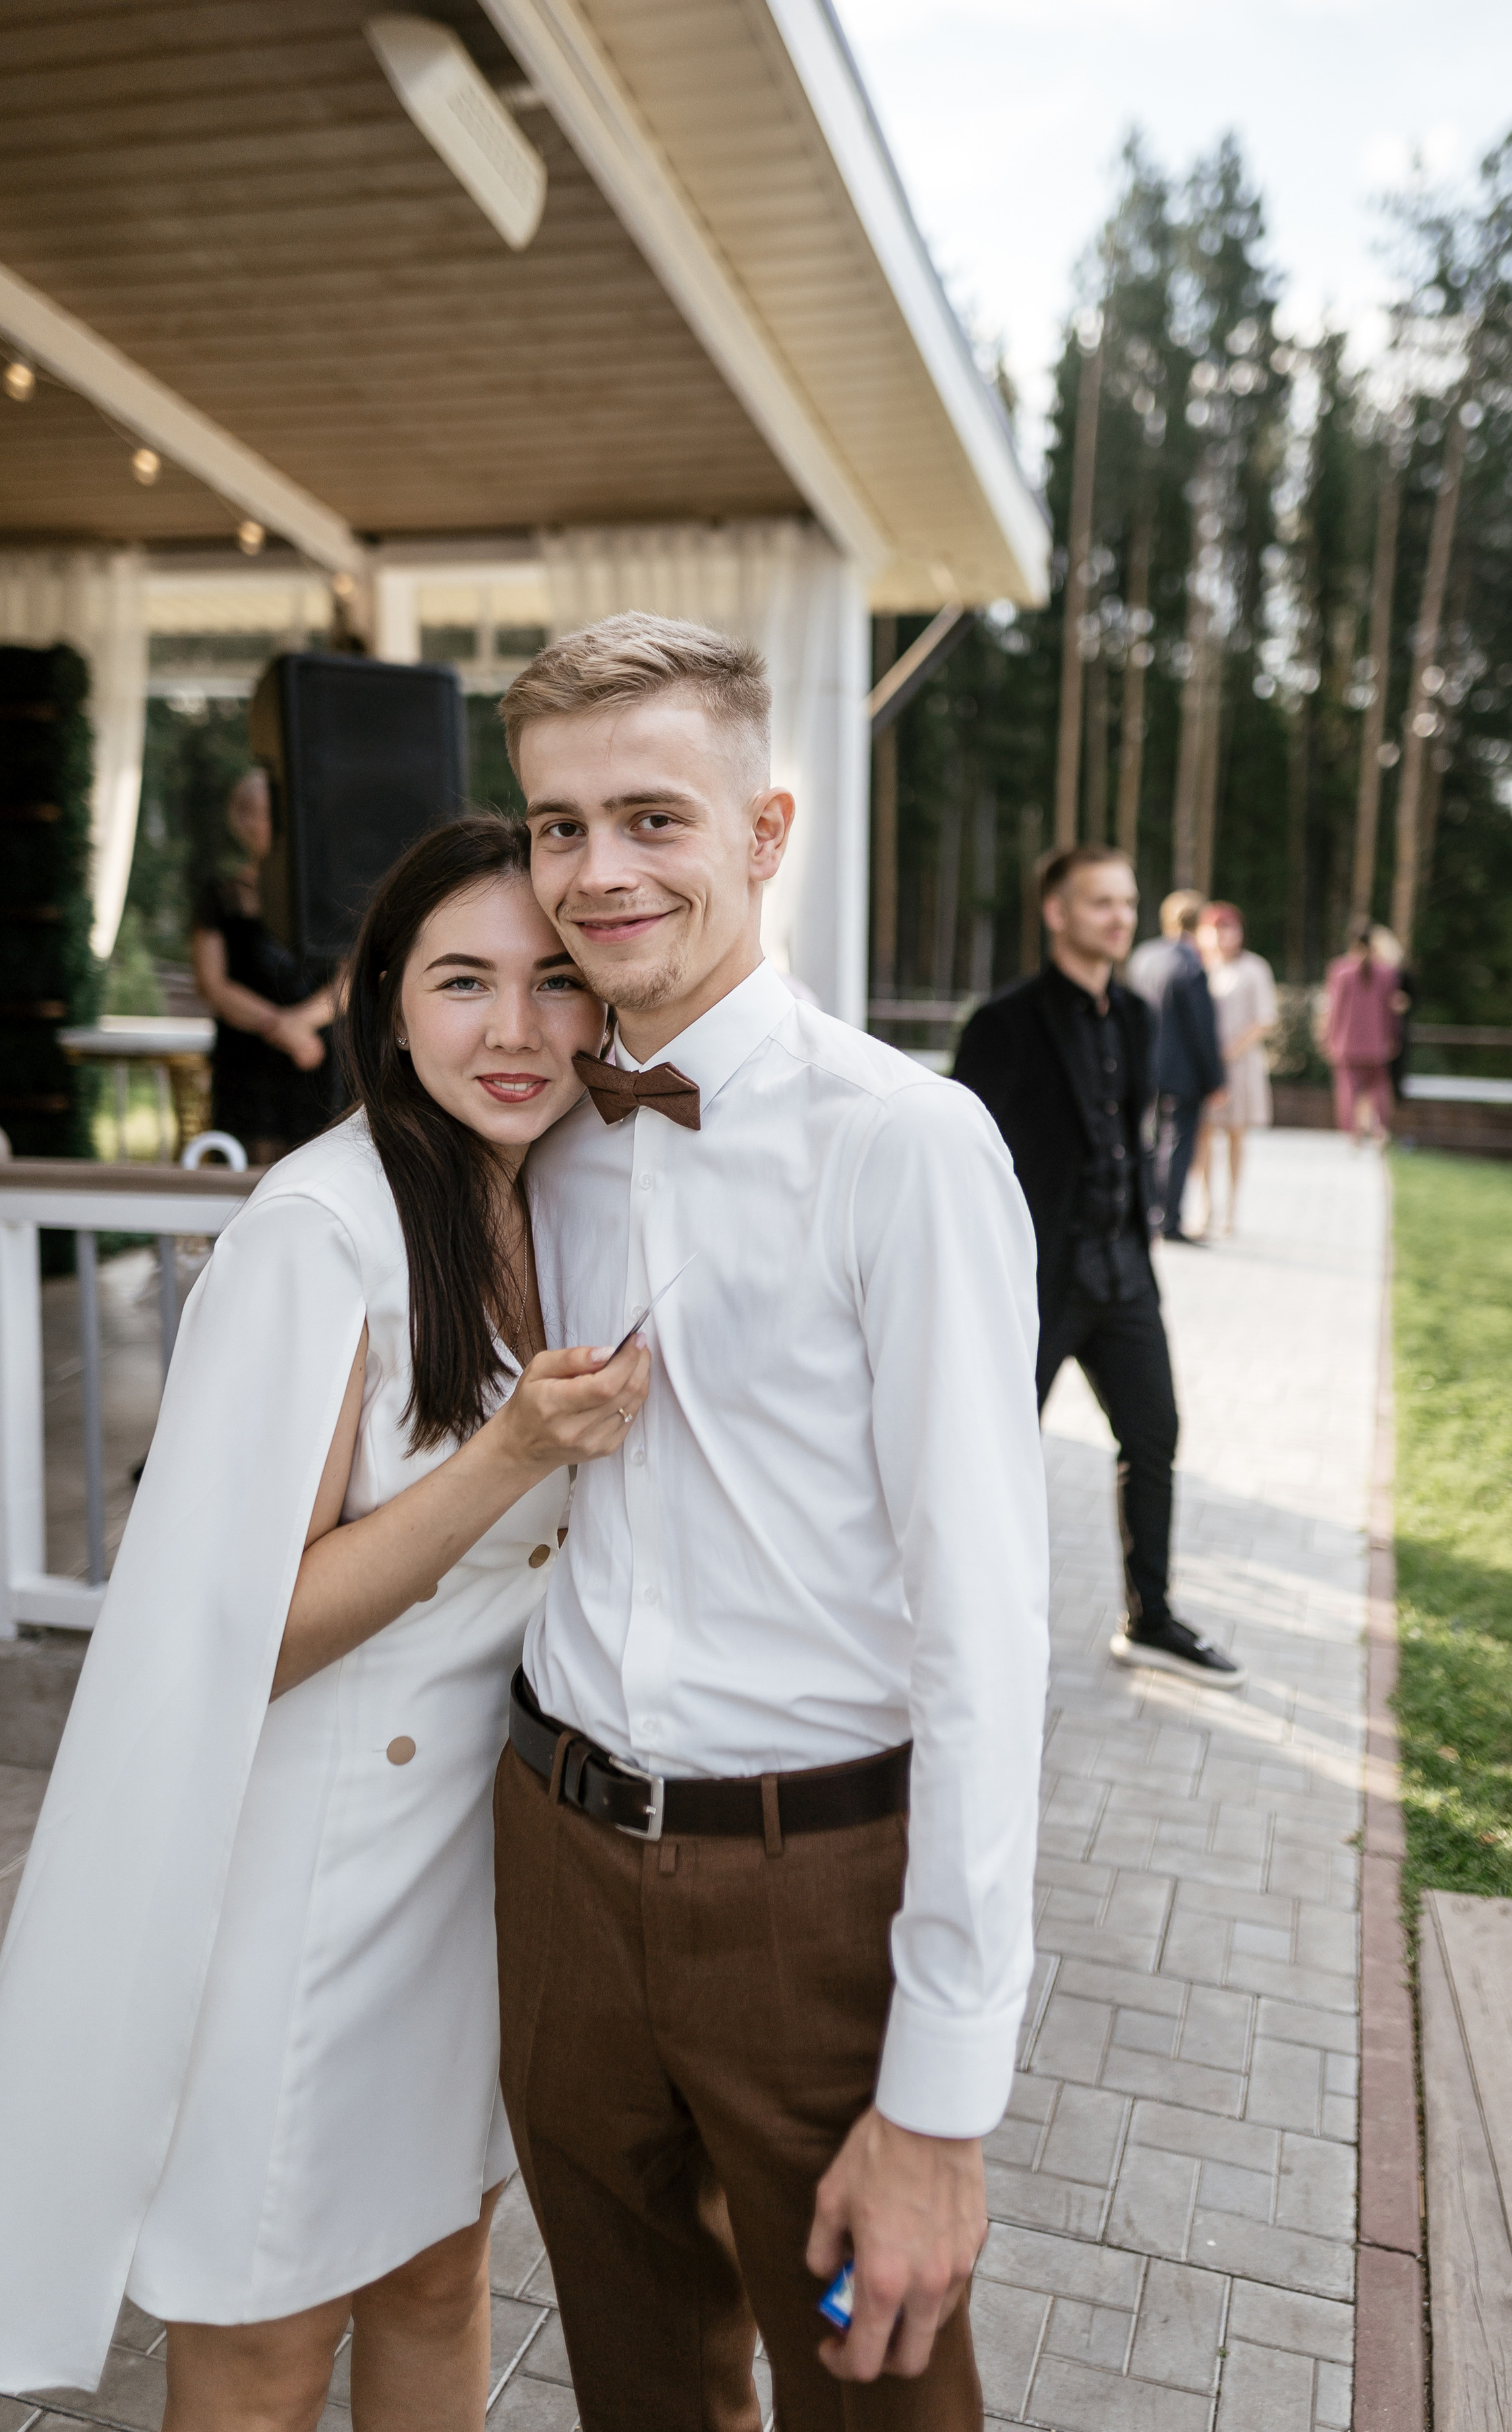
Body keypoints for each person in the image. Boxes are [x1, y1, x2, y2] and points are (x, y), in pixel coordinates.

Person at [0, 817, 651, 2428]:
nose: (514, 1029)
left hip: (471, 1869)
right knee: (266, 2337)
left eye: (555, 980)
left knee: (441, 2274)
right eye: (462, 980)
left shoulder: (553, 1193)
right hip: (307, 1884)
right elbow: (250, 1629)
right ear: (382, 1000)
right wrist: (511, 1452)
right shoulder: (320, 1229)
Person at [495, 612, 1050, 2432]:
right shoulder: (532, 1135)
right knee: (640, 2391)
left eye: (652, 815)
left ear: (765, 829)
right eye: (556, 827)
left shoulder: (908, 1144)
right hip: (559, 1864)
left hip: (809, 1901)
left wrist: (944, 2097)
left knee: (871, 2395)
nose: (597, 871)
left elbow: (990, 1634)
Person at [952, 847, 1243, 1693]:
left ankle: (1149, 1617)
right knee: (994, 1457)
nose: (1119, 917)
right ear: (1056, 913)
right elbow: (960, 1161)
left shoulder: (1138, 1019)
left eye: (1127, 902)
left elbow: (1134, 1138)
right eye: (1100, 903)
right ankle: (967, 1630)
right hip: (1035, 1286)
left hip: (1123, 1272)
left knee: (1153, 1435)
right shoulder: (1002, 1023)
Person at [191, 767, 339, 1165]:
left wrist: (303, 1024)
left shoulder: (333, 893)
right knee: (247, 1184)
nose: (272, 821)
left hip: (320, 1062)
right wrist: (283, 1029)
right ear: (240, 821)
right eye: (257, 811)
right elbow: (213, 985)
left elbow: (355, 973)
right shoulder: (220, 897)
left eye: (280, 809)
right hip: (248, 1068)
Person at [1124, 889, 1225, 1243]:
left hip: (1144, 1065)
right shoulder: (1190, 965)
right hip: (1183, 1073)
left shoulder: (1143, 957)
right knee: (1179, 1143)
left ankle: (1148, 1211)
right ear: (1199, 923)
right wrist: (1216, 1080)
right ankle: (1170, 1220)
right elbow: (1202, 1030)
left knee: (1148, 1140)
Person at [1194, 902, 1278, 1237]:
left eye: (1229, 928)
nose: (1223, 936)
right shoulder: (1198, 967)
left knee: (1236, 1135)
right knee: (1203, 1135)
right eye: (1216, 928)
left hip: (1240, 1066)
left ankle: (1231, 1209)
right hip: (1204, 1067)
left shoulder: (1254, 969)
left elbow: (1264, 1020)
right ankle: (1205, 1206)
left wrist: (1229, 1052)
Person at [1323, 920, 1403, 1143]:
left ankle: (1353, 1133)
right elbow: (1391, 1012)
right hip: (1377, 1042)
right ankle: (1380, 1130)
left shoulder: (1340, 971)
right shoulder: (1387, 973)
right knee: (1378, 1088)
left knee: (1348, 1089)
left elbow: (1334, 1009)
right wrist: (1393, 1037)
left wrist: (1328, 1038)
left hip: (1347, 1042)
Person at [1370, 923, 1416, 1101]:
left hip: (1392, 1033)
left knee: (1389, 1080)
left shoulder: (1399, 975)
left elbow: (1412, 998)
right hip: (1375, 1034)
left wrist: (1403, 1003)